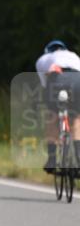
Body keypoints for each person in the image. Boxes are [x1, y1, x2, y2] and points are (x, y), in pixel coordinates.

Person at [36, 40, 80, 173]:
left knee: (52, 116)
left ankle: (52, 160)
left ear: (48, 51)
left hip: (57, 78)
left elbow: (45, 84)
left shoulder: (43, 59)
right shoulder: (74, 55)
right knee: (76, 119)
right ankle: (78, 158)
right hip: (77, 79)